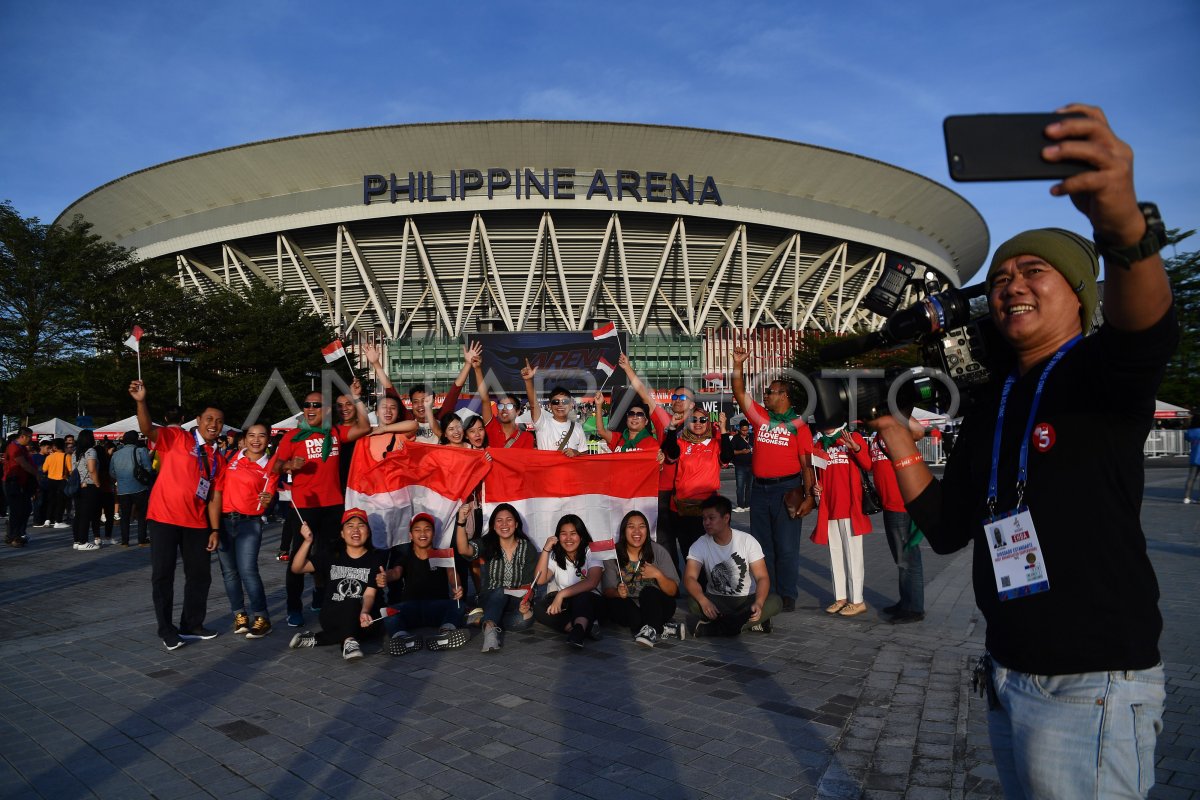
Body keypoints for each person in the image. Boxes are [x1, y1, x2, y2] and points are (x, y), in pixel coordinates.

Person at [868, 105, 1175, 798]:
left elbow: (1145, 332)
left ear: (1079, 294)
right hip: (1006, 672)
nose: (1011, 284)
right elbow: (947, 531)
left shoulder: (1097, 375)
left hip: (1090, 682)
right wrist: (897, 445)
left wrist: (1123, 225)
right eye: (1002, 277)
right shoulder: (996, 399)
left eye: (1033, 271)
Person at [129, 380, 226, 651]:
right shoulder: (177, 438)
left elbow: (215, 496)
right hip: (163, 518)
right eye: (209, 419)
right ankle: (167, 629)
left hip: (196, 523)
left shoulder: (218, 457)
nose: (214, 424)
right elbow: (147, 429)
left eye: (219, 421)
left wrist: (215, 529)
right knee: (163, 575)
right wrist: (141, 401)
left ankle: (192, 624)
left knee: (200, 575)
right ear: (197, 420)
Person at [271, 382, 371, 627]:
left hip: (333, 504)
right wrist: (288, 467)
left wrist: (356, 398)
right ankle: (294, 607)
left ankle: (322, 596)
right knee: (299, 554)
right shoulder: (292, 436)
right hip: (304, 505)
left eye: (317, 405)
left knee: (329, 555)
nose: (311, 408)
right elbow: (275, 466)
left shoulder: (335, 433)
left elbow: (365, 426)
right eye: (307, 405)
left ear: (326, 411)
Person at [730, 347, 817, 613]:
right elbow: (739, 393)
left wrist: (810, 496)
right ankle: (771, 593)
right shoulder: (760, 417)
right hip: (760, 490)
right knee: (762, 545)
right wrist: (737, 365)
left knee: (787, 546)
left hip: (787, 488)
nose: (765, 395)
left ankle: (787, 594)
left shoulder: (799, 426)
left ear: (785, 396)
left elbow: (806, 464)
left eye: (770, 392)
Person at [210, 423, 277, 639]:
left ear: (268, 440)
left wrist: (270, 500)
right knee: (229, 573)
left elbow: (269, 497)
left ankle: (262, 617)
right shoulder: (229, 459)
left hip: (250, 524)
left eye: (261, 436)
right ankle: (239, 615)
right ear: (244, 439)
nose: (256, 440)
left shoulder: (270, 466)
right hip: (224, 521)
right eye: (251, 435)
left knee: (248, 570)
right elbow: (217, 490)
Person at [288, 508, 381, 661]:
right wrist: (307, 541)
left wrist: (365, 611)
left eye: (361, 525)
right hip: (332, 614)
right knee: (349, 601)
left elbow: (370, 594)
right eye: (350, 526)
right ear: (342, 533)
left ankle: (317, 639)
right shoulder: (331, 554)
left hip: (362, 617)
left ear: (368, 532)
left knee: (373, 624)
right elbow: (297, 568)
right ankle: (349, 642)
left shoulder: (374, 560)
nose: (355, 530)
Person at [684, 495, 780, 636]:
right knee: (693, 602)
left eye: (711, 518)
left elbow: (762, 577)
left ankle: (714, 628)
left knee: (776, 601)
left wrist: (759, 603)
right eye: (704, 518)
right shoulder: (700, 544)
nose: (706, 523)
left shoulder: (747, 541)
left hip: (747, 599)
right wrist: (703, 601)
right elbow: (689, 578)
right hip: (716, 599)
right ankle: (748, 624)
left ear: (726, 518)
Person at [377, 513, 469, 655]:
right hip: (411, 606)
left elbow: (452, 573)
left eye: (427, 529)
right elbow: (396, 572)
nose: (422, 533)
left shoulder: (440, 553)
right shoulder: (405, 555)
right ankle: (403, 638)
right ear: (410, 535)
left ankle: (446, 633)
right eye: (417, 530)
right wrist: (385, 577)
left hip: (436, 606)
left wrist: (456, 587)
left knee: (458, 605)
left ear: (433, 533)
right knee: (387, 612)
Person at [454, 502, 537, 653]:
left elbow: (530, 583)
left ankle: (482, 618)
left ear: (516, 523)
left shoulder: (527, 547)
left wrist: (527, 602)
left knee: (525, 620)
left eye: (509, 520)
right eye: (499, 520)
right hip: (491, 595)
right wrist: (461, 521)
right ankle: (490, 631)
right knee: (500, 592)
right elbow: (464, 549)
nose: (504, 524)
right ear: (493, 525)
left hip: (515, 600)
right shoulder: (488, 543)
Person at [810, 425, 873, 617]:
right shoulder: (820, 444)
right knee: (835, 554)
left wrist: (855, 447)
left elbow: (868, 465)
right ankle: (840, 597)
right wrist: (817, 487)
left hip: (850, 507)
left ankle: (858, 600)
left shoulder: (852, 436)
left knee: (853, 556)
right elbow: (819, 475)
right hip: (830, 507)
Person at [660, 409, 733, 569]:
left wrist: (723, 430)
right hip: (683, 508)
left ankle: (709, 587)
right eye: (694, 419)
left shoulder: (715, 444)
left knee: (710, 551)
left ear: (708, 423)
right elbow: (671, 452)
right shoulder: (681, 443)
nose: (698, 423)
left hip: (708, 509)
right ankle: (695, 588)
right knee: (689, 552)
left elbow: (727, 456)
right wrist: (672, 427)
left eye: (702, 420)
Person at [601, 510, 681, 647]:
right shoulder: (613, 554)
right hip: (629, 605)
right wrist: (617, 592)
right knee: (616, 605)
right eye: (631, 527)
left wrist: (658, 575)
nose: (637, 531)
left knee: (649, 592)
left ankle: (649, 631)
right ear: (623, 531)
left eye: (642, 526)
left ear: (647, 530)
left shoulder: (658, 551)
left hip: (657, 604)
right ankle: (661, 628)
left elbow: (673, 591)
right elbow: (607, 590)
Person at [868, 432, 925, 623]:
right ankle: (906, 601)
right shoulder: (877, 436)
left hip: (902, 503)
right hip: (890, 504)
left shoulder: (898, 426)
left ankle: (914, 608)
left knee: (909, 559)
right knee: (901, 559)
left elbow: (918, 431)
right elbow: (871, 465)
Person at [532, 514, 603, 648]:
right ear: (558, 537)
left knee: (582, 598)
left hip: (591, 601)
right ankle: (579, 629)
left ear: (581, 535)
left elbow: (592, 582)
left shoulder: (593, 550)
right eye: (563, 534)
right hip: (567, 604)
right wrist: (546, 550)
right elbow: (540, 580)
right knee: (539, 607)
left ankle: (579, 629)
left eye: (573, 533)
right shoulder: (555, 555)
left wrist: (561, 594)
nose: (568, 538)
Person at [521, 360, 587, 455]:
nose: (560, 405)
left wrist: (577, 453)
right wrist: (528, 381)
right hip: (547, 470)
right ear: (550, 406)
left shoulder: (577, 427)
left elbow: (585, 456)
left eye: (565, 401)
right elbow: (533, 405)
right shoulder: (542, 424)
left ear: (571, 405)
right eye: (556, 402)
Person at [474, 357, 534, 449]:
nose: (504, 409)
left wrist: (528, 381)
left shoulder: (526, 437)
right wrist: (477, 369)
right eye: (501, 406)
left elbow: (526, 462)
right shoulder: (492, 428)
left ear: (518, 411)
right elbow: (485, 399)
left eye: (509, 406)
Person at [110, 431, 153, 546]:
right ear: (135, 440)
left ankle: (125, 541)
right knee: (142, 515)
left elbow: (112, 473)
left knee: (124, 515)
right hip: (139, 488)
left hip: (123, 489)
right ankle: (141, 540)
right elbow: (148, 468)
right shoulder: (141, 451)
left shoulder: (116, 454)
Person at [3, 428, 38, 547]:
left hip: (20, 483)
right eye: (29, 437)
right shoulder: (14, 447)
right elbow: (23, 464)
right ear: (23, 436)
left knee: (25, 508)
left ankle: (16, 534)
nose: (30, 440)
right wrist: (37, 474)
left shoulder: (21, 448)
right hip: (13, 482)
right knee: (17, 510)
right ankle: (13, 536)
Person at [70, 430, 103, 551]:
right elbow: (92, 469)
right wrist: (97, 483)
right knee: (86, 514)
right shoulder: (91, 451)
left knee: (78, 514)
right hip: (89, 485)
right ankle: (83, 541)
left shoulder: (75, 453)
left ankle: (77, 540)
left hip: (77, 486)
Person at [40, 438, 71, 529]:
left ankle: (48, 520)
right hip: (62, 480)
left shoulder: (49, 457)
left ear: (55, 447)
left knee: (51, 501)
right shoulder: (67, 456)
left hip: (50, 480)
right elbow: (70, 470)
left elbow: (44, 469)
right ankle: (58, 521)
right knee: (61, 501)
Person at [729, 421, 754, 512]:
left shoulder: (751, 436)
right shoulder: (735, 438)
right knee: (740, 486)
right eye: (743, 430)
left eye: (747, 430)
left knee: (750, 486)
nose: (745, 432)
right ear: (740, 429)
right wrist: (741, 452)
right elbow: (731, 451)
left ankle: (748, 505)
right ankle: (740, 505)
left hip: (751, 465)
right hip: (740, 466)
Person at [1183, 419, 1199, 503]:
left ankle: (1186, 497)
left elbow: (1186, 437)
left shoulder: (1191, 432)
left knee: (1191, 478)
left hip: (1194, 458)